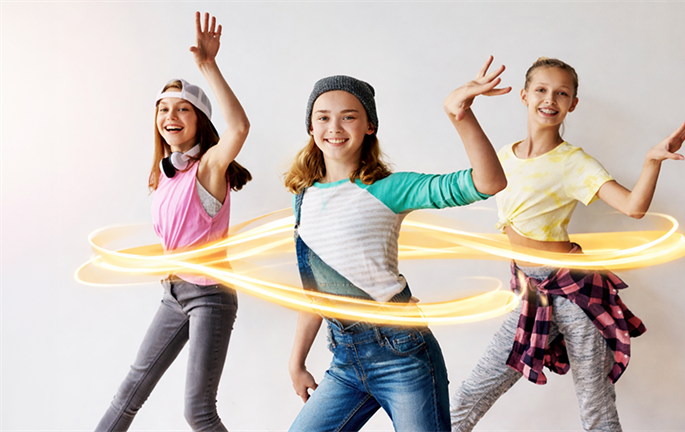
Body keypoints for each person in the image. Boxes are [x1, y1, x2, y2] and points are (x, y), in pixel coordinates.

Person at [450, 57, 685, 431]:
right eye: (542, 90)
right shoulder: (503, 156)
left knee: (595, 407)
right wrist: (462, 108)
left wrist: (651, 162)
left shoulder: (574, 163)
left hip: (576, 292)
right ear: (525, 95)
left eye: (562, 93)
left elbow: (633, 207)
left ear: (572, 104)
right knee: (471, 393)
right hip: (532, 292)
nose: (551, 99)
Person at [283, 57, 510, 432]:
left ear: (370, 125)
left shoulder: (390, 188)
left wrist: (461, 116)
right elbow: (315, 293)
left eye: (349, 116)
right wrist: (297, 363)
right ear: (310, 126)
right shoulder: (302, 197)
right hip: (344, 360)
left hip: (402, 355)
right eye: (323, 117)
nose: (334, 127)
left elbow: (488, 182)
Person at [96, 12, 250, 432]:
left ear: (199, 119)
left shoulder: (208, 170)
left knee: (198, 412)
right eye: (163, 108)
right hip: (173, 292)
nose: (171, 115)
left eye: (183, 108)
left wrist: (208, 66)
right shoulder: (163, 176)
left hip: (210, 295)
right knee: (127, 395)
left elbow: (238, 127)